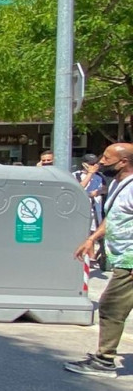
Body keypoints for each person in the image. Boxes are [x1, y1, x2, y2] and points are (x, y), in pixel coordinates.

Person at [65, 143, 133, 377]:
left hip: (130, 260)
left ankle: (105, 361)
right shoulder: (117, 184)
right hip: (122, 257)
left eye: (107, 158)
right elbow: (114, 216)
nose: (101, 162)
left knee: (111, 307)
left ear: (123, 162)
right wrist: (92, 238)